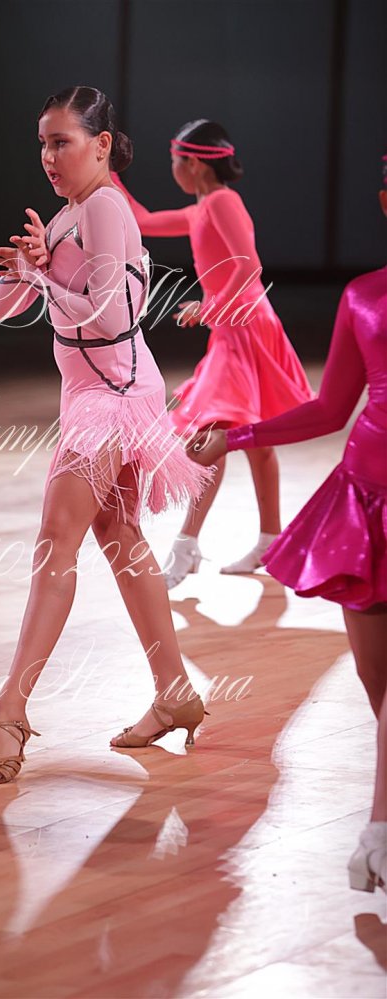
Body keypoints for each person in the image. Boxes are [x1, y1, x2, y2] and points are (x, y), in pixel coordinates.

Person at [0, 86, 212, 785]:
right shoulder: (66, 215)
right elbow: (0, 306)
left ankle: (9, 712)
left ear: (102, 144)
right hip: (100, 392)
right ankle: (175, 693)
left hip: (113, 395)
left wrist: (42, 276)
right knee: (118, 534)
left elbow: (108, 319)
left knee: (59, 536)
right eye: (43, 144)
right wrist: (28, 268)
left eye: (63, 142)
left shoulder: (106, 208)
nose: (49, 156)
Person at [188, 163, 387, 893]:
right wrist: (235, 437)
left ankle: (377, 831)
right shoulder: (363, 296)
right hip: (365, 501)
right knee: (377, 687)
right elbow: (330, 409)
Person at [111, 120, 313, 586]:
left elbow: (249, 267)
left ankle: (187, 546)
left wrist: (209, 306)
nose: (173, 170)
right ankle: (268, 540)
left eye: (174, 162)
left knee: (211, 435)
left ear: (195, 164)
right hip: (234, 327)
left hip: (246, 325)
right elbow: (142, 220)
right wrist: (107, 174)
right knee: (254, 439)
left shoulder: (223, 201)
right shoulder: (201, 208)